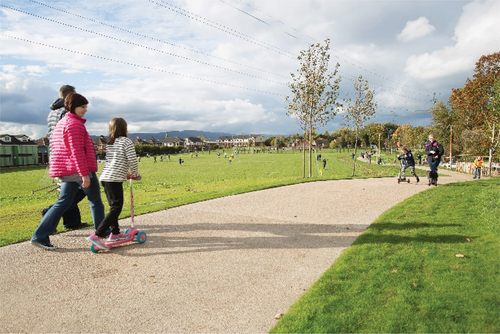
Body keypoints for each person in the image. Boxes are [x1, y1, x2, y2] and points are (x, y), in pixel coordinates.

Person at [31, 93, 105, 250]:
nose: (85, 110)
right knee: (95, 202)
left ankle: (39, 236)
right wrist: (84, 175)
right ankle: (103, 233)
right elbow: (76, 151)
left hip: (67, 170)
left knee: (63, 202)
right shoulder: (74, 124)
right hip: (78, 170)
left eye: (86, 107)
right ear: (72, 106)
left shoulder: (63, 122)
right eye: (82, 107)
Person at [87, 118, 141, 249]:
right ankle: (98, 234)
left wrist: (125, 174)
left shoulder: (110, 142)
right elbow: (132, 160)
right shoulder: (126, 141)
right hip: (114, 179)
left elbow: (116, 161)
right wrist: (135, 174)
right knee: (116, 207)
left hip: (106, 177)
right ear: (125, 128)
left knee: (113, 207)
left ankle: (115, 233)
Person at [43, 85, 87, 230]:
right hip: (67, 156)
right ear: (70, 96)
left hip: (55, 155)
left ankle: (71, 221)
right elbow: (69, 136)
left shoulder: (51, 114)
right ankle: (50, 211)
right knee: (79, 190)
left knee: (69, 190)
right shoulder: (65, 112)